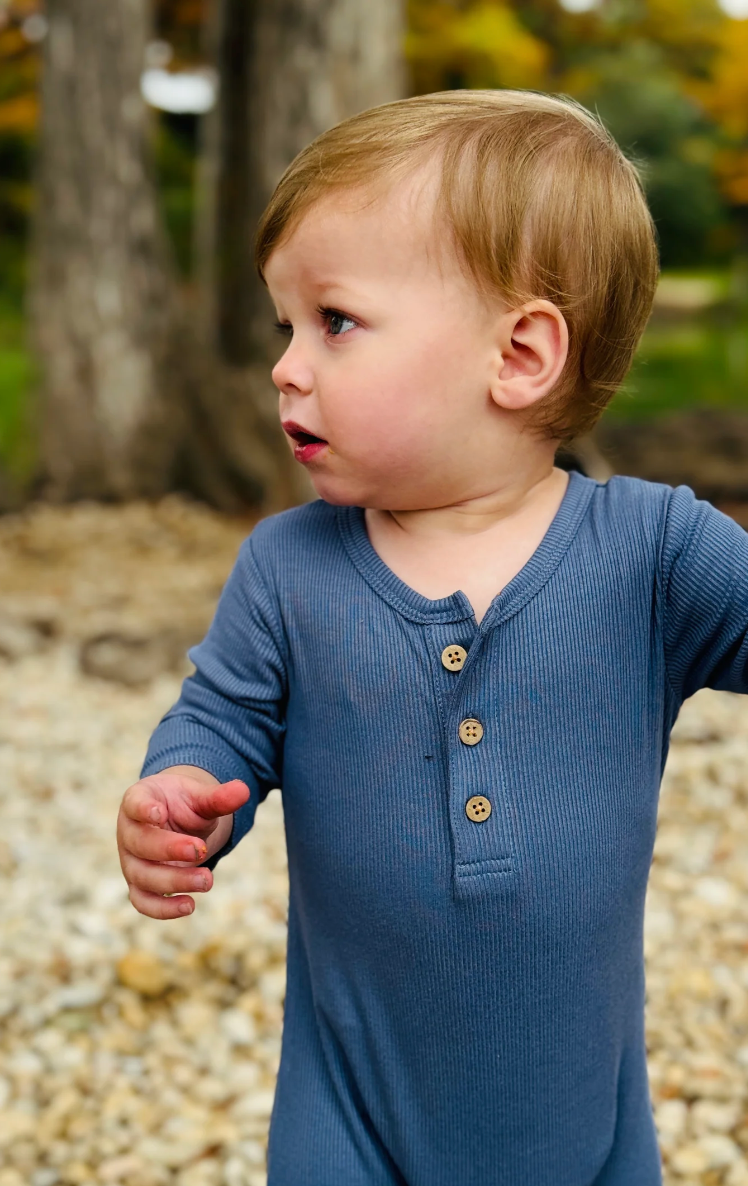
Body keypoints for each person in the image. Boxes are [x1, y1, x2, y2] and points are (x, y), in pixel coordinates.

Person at [116, 90, 748, 1185]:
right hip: (347, 1113)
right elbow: (221, 717)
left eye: (336, 321)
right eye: (286, 326)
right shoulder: (286, 566)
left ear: (518, 355)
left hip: (588, 1126)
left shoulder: (653, 556)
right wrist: (180, 790)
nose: (286, 365)